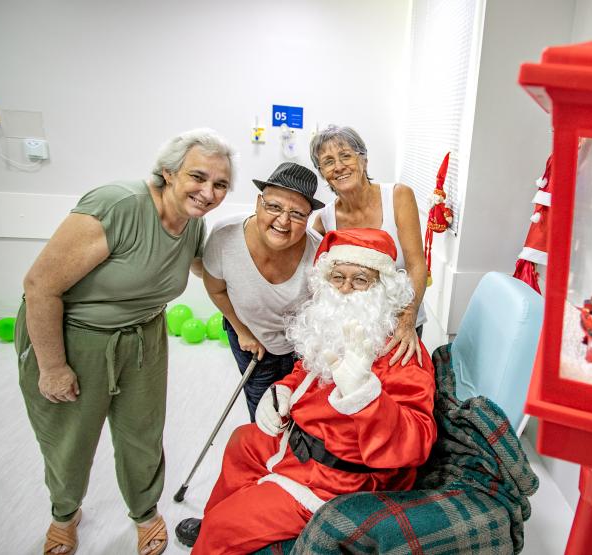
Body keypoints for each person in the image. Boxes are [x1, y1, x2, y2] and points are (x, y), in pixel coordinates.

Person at [17, 129, 235, 555]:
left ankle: (144, 510)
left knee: (142, 433)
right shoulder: (119, 205)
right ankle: (65, 514)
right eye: (198, 177)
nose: (208, 192)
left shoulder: (193, 224)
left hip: (144, 336)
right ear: (169, 173)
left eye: (221, 184)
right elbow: (39, 286)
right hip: (73, 336)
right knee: (71, 436)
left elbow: (205, 272)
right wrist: (53, 367)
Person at [175, 228, 437, 554]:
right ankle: (220, 514)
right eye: (337, 277)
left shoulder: (401, 350)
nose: (344, 290)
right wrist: (281, 392)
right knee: (243, 441)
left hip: (338, 480)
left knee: (223, 527)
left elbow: (417, 442)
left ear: (382, 288)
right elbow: (306, 371)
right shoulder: (332, 325)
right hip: (298, 443)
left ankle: (218, 531)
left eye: (359, 280)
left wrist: (364, 394)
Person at [203, 162, 323, 420]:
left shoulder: (318, 252)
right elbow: (216, 289)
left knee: (298, 408)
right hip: (249, 340)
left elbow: (322, 310)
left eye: (297, 214)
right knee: (262, 409)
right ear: (259, 203)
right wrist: (242, 331)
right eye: (274, 206)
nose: (283, 221)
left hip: (299, 348)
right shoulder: (225, 237)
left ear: (308, 218)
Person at [309, 125, 428, 366]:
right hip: (353, 331)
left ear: (364, 160)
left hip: (400, 324)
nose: (339, 166)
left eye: (346, 155)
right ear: (322, 173)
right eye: (328, 161)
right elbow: (318, 276)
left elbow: (417, 265)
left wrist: (406, 320)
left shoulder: (398, 197)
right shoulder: (324, 219)